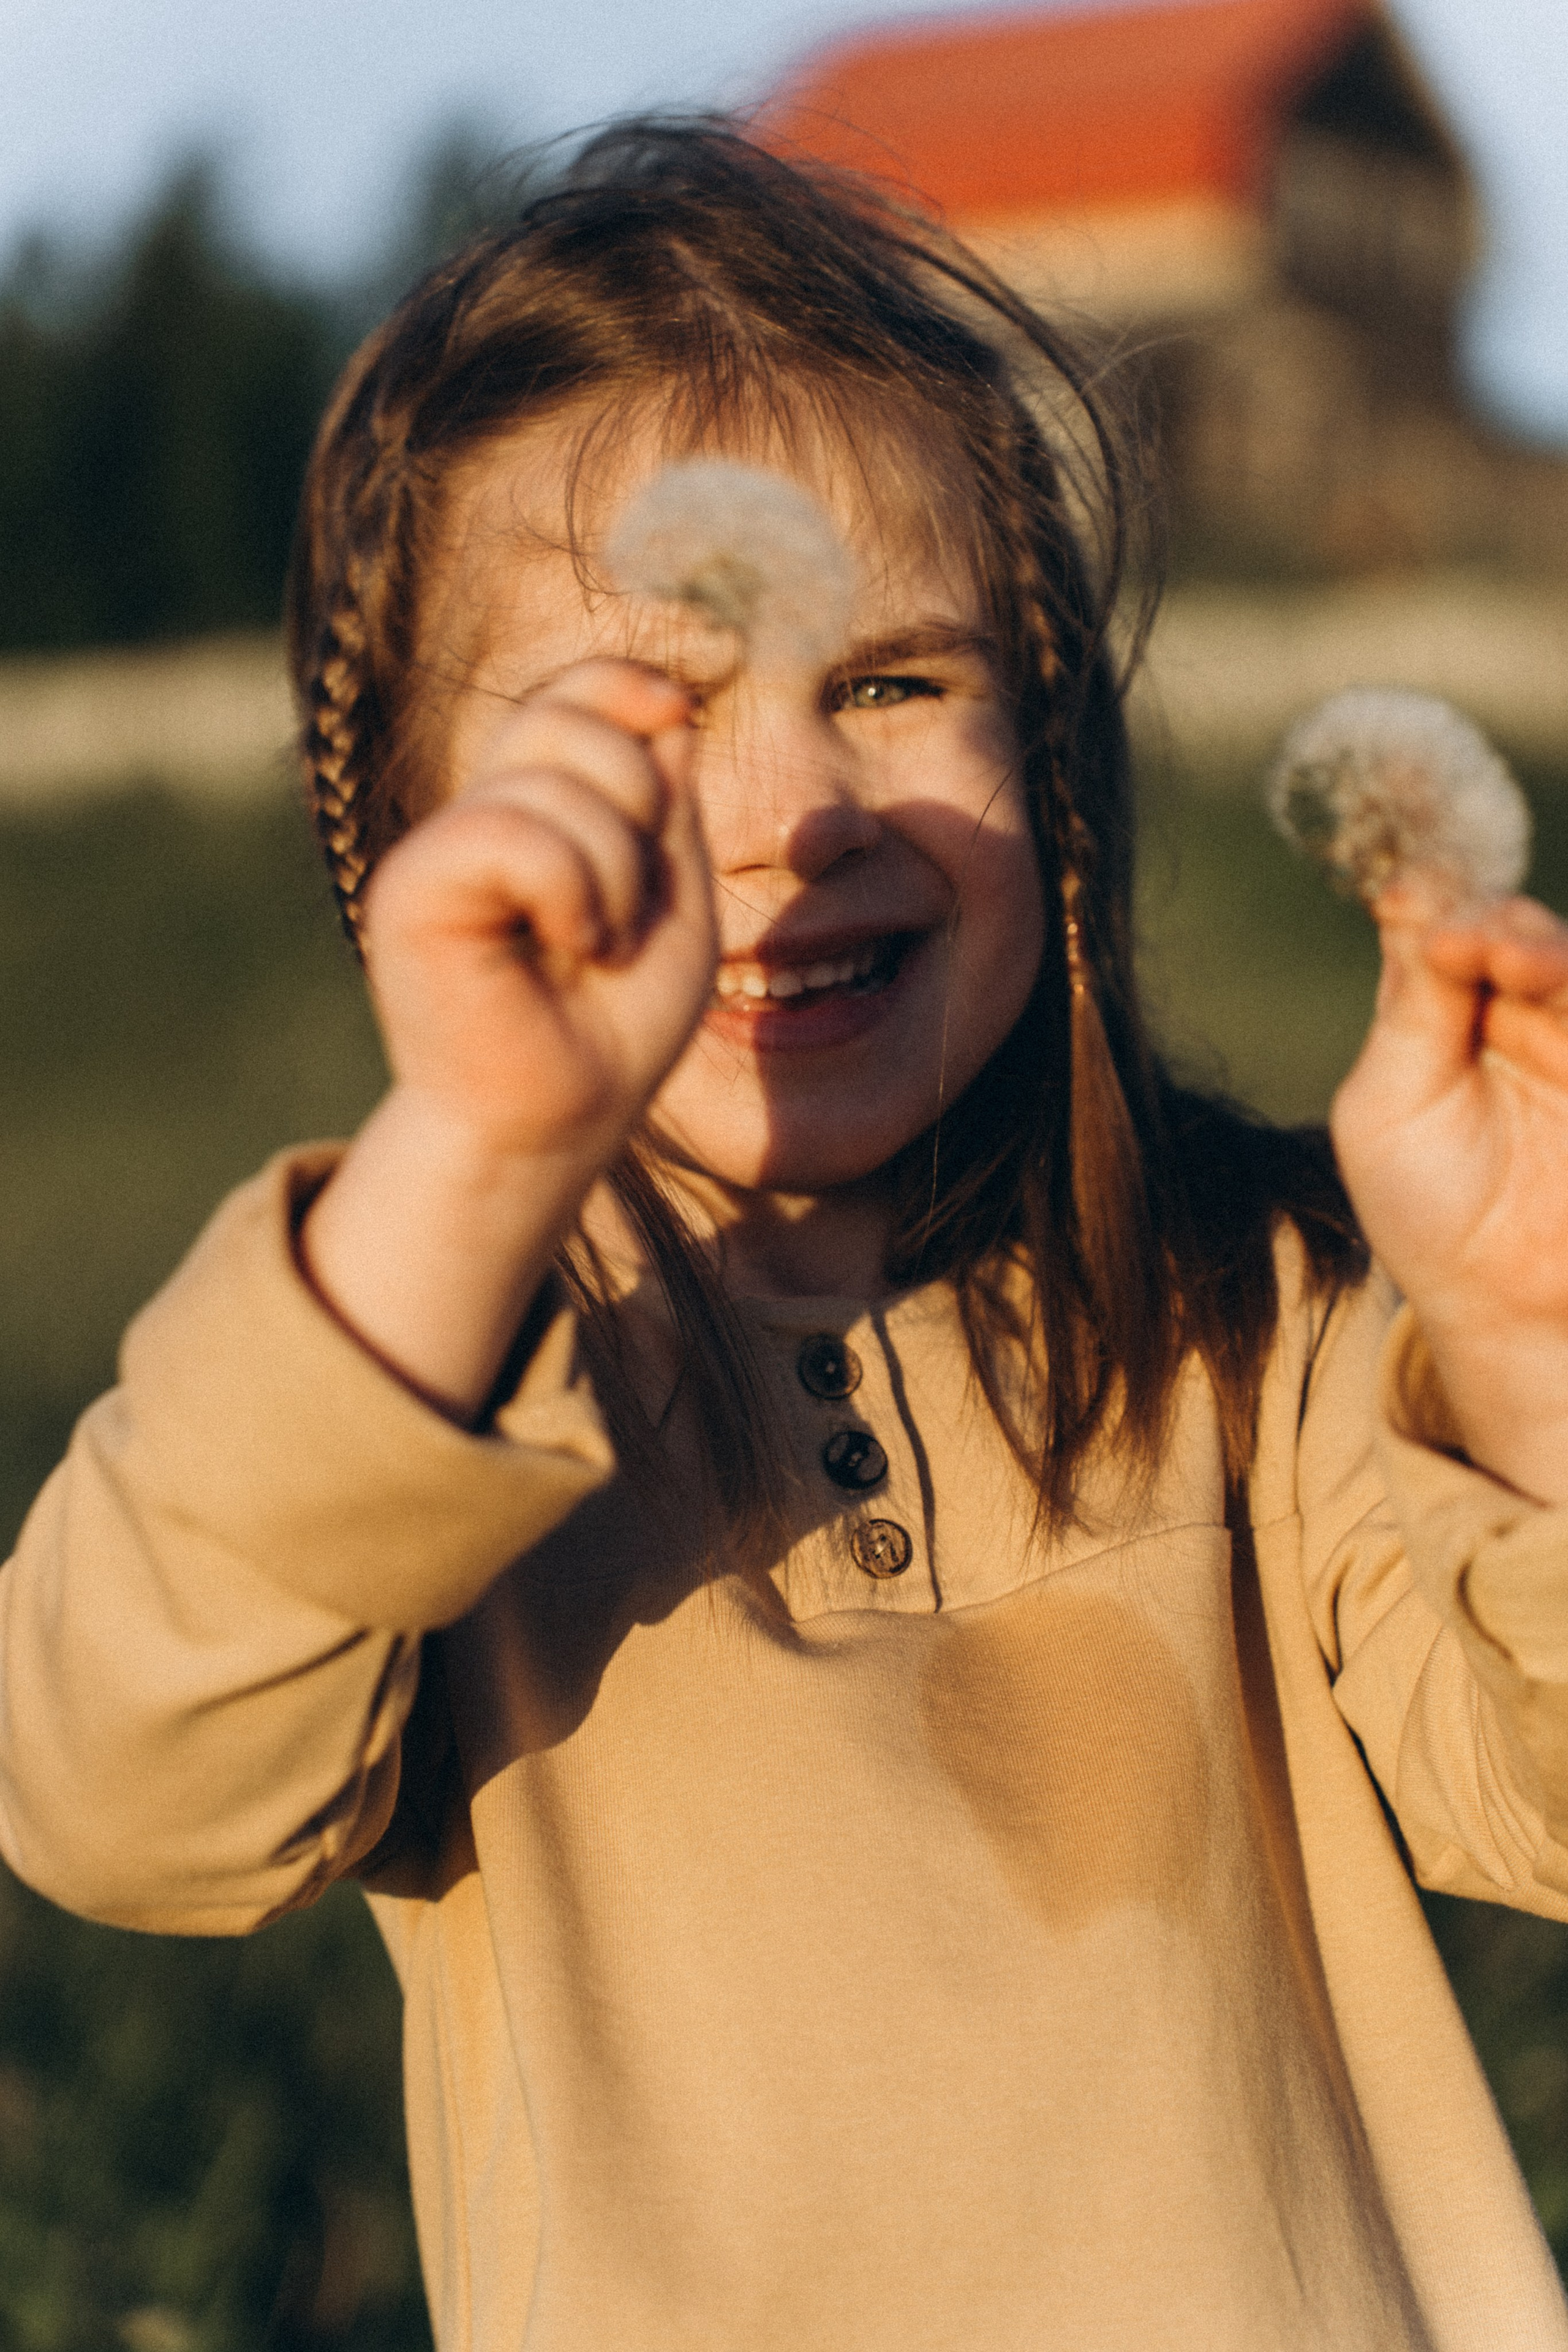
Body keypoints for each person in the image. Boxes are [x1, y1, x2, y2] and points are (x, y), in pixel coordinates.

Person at [5, 120, 1568, 2352]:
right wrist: (470, 1158)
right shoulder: (441, 1398)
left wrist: (1525, 1343)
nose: (789, 815)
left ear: (1058, 758)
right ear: (406, 857)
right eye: (636, 728)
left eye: (891, 680)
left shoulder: (1263, 1323)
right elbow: (113, 1793)